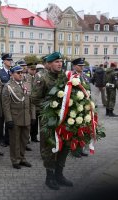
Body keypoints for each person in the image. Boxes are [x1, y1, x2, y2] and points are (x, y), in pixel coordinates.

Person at [31, 52, 73, 190]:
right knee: (49, 148)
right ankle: (50, 177)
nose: (59, 64)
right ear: (49, 64)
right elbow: (34, 98)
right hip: (49, 120)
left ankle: (59, 175)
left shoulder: (64, 77)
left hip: (65, 120)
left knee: (64, 146)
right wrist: (51, 108)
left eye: (60, 61)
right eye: (56, 62)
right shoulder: (42, 78)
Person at [2, 65, 32, 169]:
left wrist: (32, 116)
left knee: (24, 140)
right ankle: (15, 160)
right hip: (15, 118)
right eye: (18, 73)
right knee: (15, 141)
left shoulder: (26, 84)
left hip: (26, 117)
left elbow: (30, 101)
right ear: (12, 74)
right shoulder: (8, 86)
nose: (20, 74)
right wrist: (8, 119)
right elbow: (6, 105)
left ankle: (22, 158)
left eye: (22, 72)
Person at [71, 58, 90, 157]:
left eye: (83, 65)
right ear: (74, 66)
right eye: (80, 65)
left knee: (82, 128)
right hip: (75, 106)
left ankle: (81, 148)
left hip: (84, 106)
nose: (82, 67)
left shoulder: (84, 76)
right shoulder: (71, 76)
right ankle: (75, 150)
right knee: (75, 128)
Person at [0, 53, 13, 147]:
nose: (10, 62)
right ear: (4, 61)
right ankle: (1, 139)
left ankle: (8, 138)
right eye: (8, 60)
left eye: (11, 60)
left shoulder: (12, 72)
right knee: (1, 120)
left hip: (12, 99)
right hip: (2, 98)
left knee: (9, 119)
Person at [26, 63, 39, 143]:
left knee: (35, 121)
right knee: (29, 121)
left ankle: (34, 136)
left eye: (34, 70)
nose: (33, 71)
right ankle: (27, 137)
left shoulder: (36, 77)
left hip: (35, 103)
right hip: (29, 101)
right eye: (32, 69)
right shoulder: (26, 77)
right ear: (28, 69)